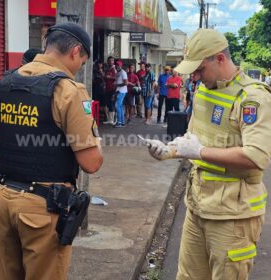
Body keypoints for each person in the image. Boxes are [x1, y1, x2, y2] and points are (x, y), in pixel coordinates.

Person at [143, 29, 271, 280]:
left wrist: (200, 152)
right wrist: (168, 151)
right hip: (198, 206)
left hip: (233, 216)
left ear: (220, 59)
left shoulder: (252, 98)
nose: (196, 77)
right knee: (187, 276)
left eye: (200, 69)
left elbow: (257, 156)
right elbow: (191, 139)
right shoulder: (204, 91)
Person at [0, 22, 103, 280]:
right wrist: (93, 135)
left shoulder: (4, 85)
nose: (79, 69)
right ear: (75, 51)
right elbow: (91, 163)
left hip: (4, 198)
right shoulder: (68, 91)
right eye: (82, 62)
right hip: (42, 208)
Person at [114, 60, 128, 128]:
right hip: (118, 91)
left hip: (122, 92)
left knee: (117, 106)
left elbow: (126, 83)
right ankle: (122, 122)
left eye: (118, 65)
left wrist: (117, 85)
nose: (117, 66)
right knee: (120, 107)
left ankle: (119, 122)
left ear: (121, 66)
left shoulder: (123, 73)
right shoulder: (117, 73)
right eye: (116, 65)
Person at [103, 56, 117, 124]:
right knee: (108, 103)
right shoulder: (107, 69)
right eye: (109, 60)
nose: (111, 62)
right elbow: (105, 78)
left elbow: (117, 78)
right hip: (107, 88)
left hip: (113, 89)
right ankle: (109, 119)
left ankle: (112, 119)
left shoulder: (115, 69)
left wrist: (110, 77)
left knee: (112, 103)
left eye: (112, 60)